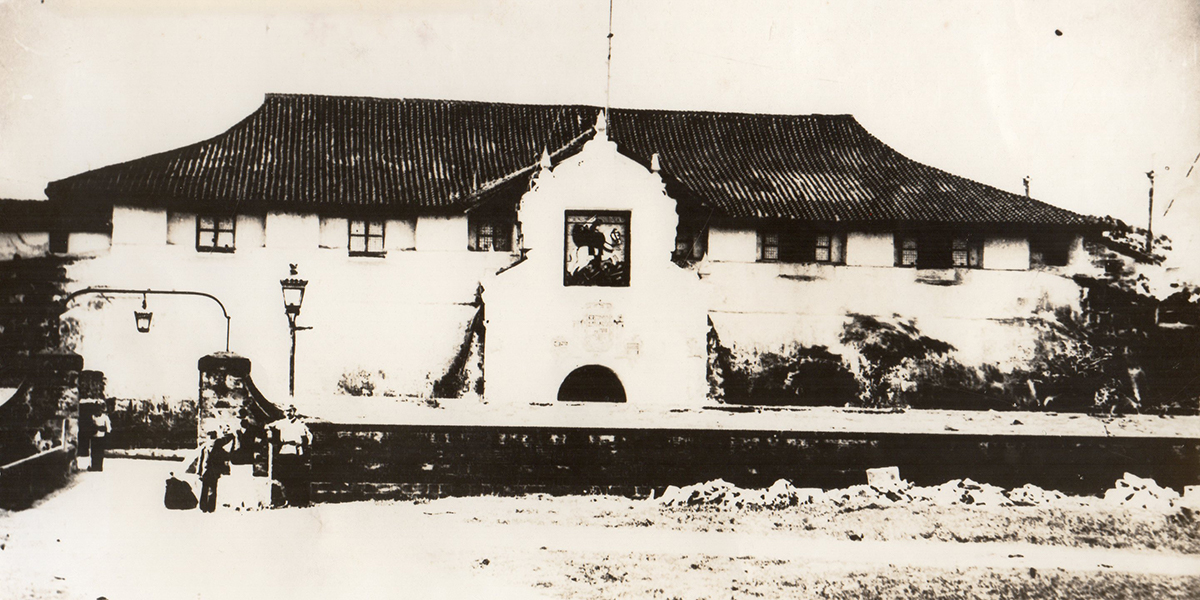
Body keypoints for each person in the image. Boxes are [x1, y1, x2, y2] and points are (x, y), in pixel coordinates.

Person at [268, 405, 312, 507]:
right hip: (284, 451)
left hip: (295, 452)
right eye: (285, 411)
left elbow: (308, 437)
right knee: (285, 476)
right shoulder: (282, 423)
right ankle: (286, 499)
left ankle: (296, 500)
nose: (287, 413)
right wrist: (269, 433)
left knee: (295, 477)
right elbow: (268, 426)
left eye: (289, 411)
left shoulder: (300, 424)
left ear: (294, 411)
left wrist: (303, 444)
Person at [197, 429, 233, 513]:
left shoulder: (218, 449)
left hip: (213, 472)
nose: (211, 441)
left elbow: (224, 458)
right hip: (206, 472)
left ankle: (210, 507)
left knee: (212, 489)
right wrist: (199, 472)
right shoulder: (205, 449)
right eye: (210, 438)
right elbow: (201, 461)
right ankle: (204, 507)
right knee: (206, 489)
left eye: (212, 438)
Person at [89, 404, 113, 472]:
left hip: (101, 437)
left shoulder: (105, 417)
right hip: (94, 437)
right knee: (93, 452)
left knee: (100, 452)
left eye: (99, 410)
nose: (98, 412)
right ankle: (94, 466)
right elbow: (90, 426)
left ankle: (99, 467)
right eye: (96, 410)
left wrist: (105, 433)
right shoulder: (93, 417)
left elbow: (108, 428)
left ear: (101, 411)